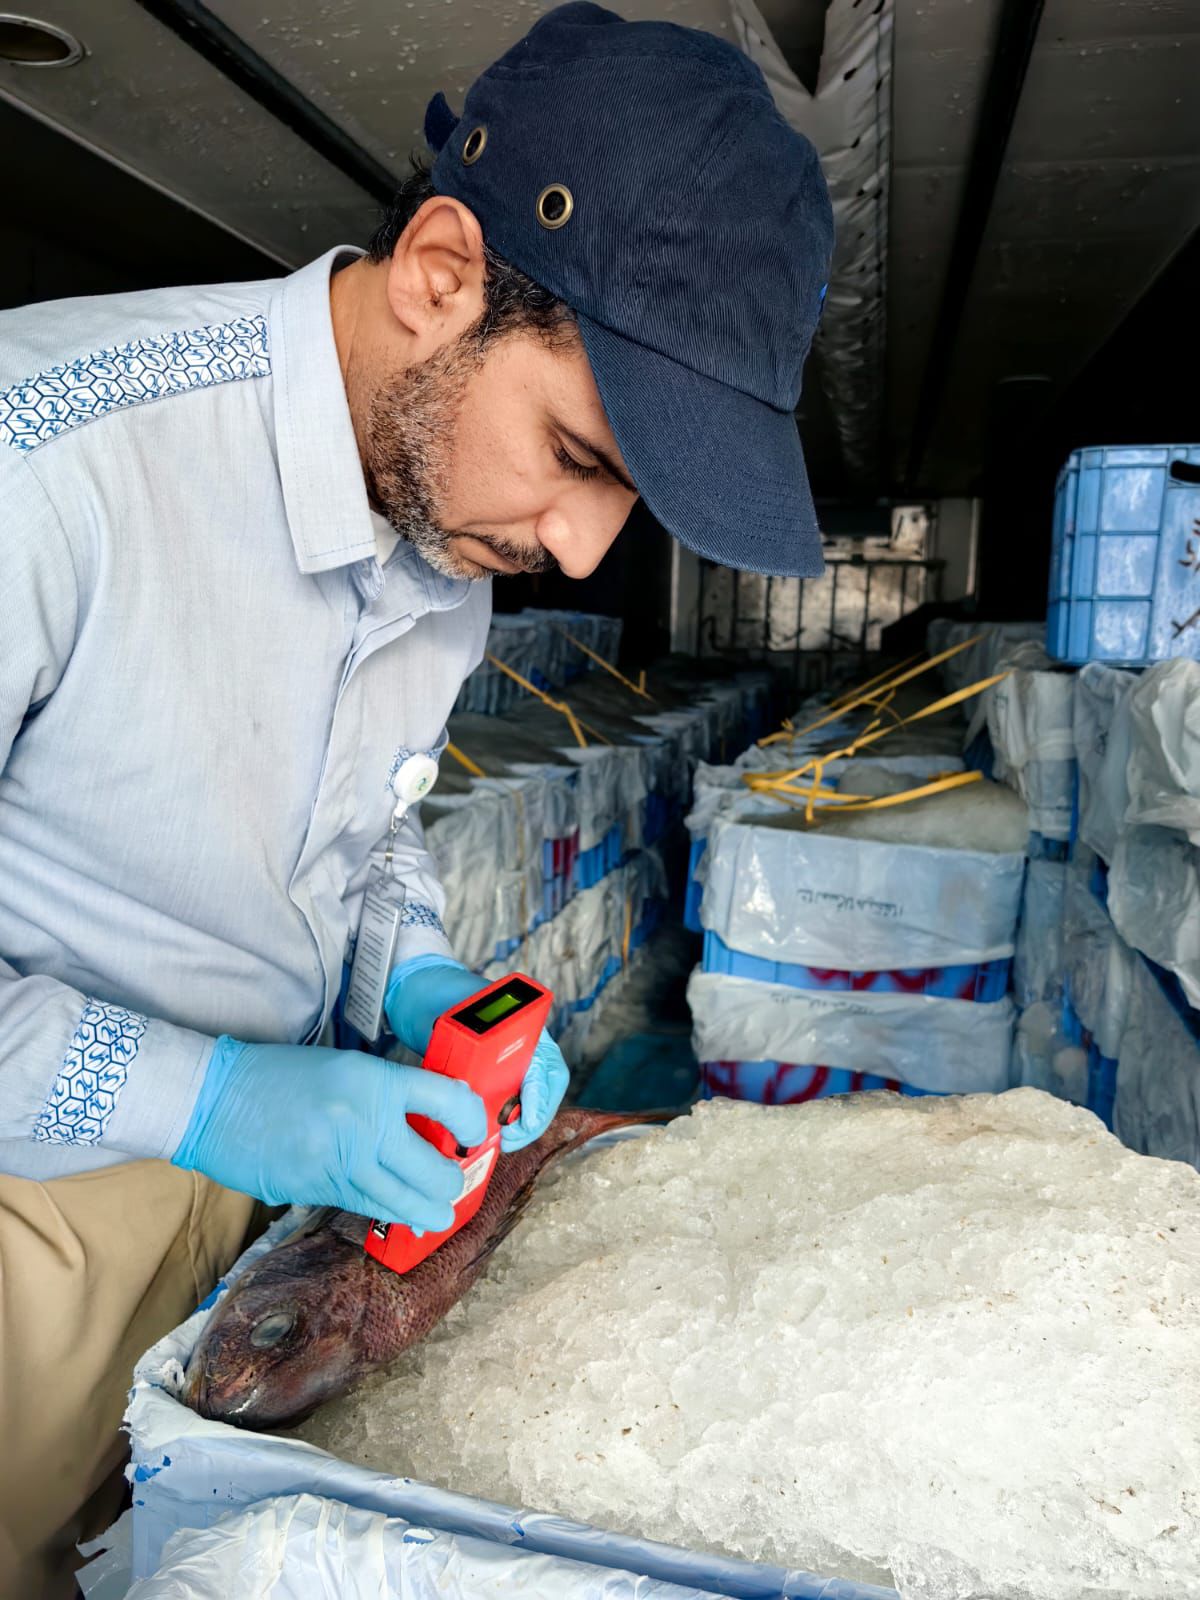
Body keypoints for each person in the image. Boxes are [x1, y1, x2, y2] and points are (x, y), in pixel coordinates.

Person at [0, 3, 832, 1593]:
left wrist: (420, 976)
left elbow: (361, 830)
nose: (580, 550)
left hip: (252, 1214)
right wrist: (213, 1097)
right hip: (37, 1221)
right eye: (577, 453)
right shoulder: (42, 466)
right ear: (443, 271)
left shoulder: (443, 537)